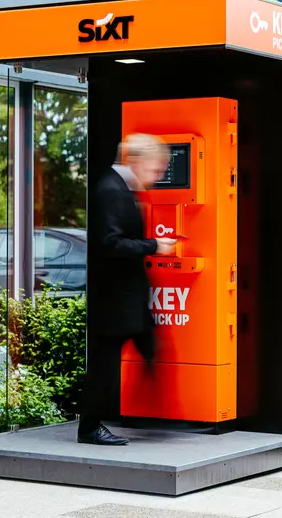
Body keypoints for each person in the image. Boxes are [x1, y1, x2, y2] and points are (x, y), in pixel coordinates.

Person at [77, 133, 176, 445]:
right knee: (104, 364)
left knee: (151, 349)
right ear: (135, 160)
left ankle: (154, 412)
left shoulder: (121, 187)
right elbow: (109, 243)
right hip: (114, 299)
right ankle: (90, 427)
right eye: (155, 168)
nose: (157, 176)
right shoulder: (111, 189)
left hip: (127, 297)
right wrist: (153, 245)